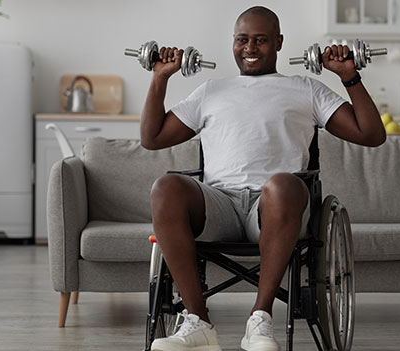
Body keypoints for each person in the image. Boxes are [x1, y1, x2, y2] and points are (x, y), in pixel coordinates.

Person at [142, 6, 385, 351]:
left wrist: (349, 76)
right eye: (242, 40)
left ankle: (260, 319)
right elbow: (152, 138)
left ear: (279, 42)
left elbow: (371, 134)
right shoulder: (211, 90)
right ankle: (198, 321)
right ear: (233, 43)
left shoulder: (306, 89)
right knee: (165, 187)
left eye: (261, 40)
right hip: (219, 205)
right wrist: (160, 78)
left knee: (283, 184)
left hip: (275, 208)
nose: (250, 48)